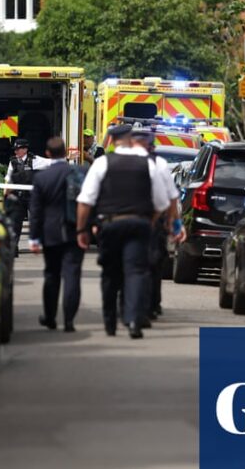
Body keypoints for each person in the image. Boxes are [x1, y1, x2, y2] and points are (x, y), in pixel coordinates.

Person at [75, 124, 172, 339]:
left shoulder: (102, 163)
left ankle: (110, 322)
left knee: (111, 273)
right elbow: (161, 202)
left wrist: (81, 229)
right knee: (136, 272)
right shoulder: (148, 164)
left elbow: (85, 200)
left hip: (110, 225)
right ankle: (134, 320)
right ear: (130, 140)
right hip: (139, 225)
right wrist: (149, 222)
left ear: (111, 140)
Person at [28, 137, 85, 333]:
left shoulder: (42, 178)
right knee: (72, 275)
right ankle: (69, 320)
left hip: (50, 233)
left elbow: (36, 211)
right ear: (65, 152)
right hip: (74, 231)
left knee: (52, 275)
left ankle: (50, 317)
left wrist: (34, 238)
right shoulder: (78, 172)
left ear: (48, 153)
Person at [130, 127, 186, 322]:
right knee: (152, 264)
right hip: (152, 221)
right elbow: (170, 198)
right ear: (151, 146)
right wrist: (175, 225)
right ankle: (151, 304)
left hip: (124, 221)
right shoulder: (159, 165)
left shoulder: (117, 162)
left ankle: (130, 305)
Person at [4, 138, 51, 254]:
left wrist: (68, 158)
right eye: (15, 150)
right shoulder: (13, 162)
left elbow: (51, 163)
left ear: (25, 149)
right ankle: (13, 247)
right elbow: (8, 177)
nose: (16, 151)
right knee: (15, 222)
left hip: (32, 196)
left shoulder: (34, 160)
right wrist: (6, 191)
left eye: (18, 149)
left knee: (37, 220)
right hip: (18, 196)